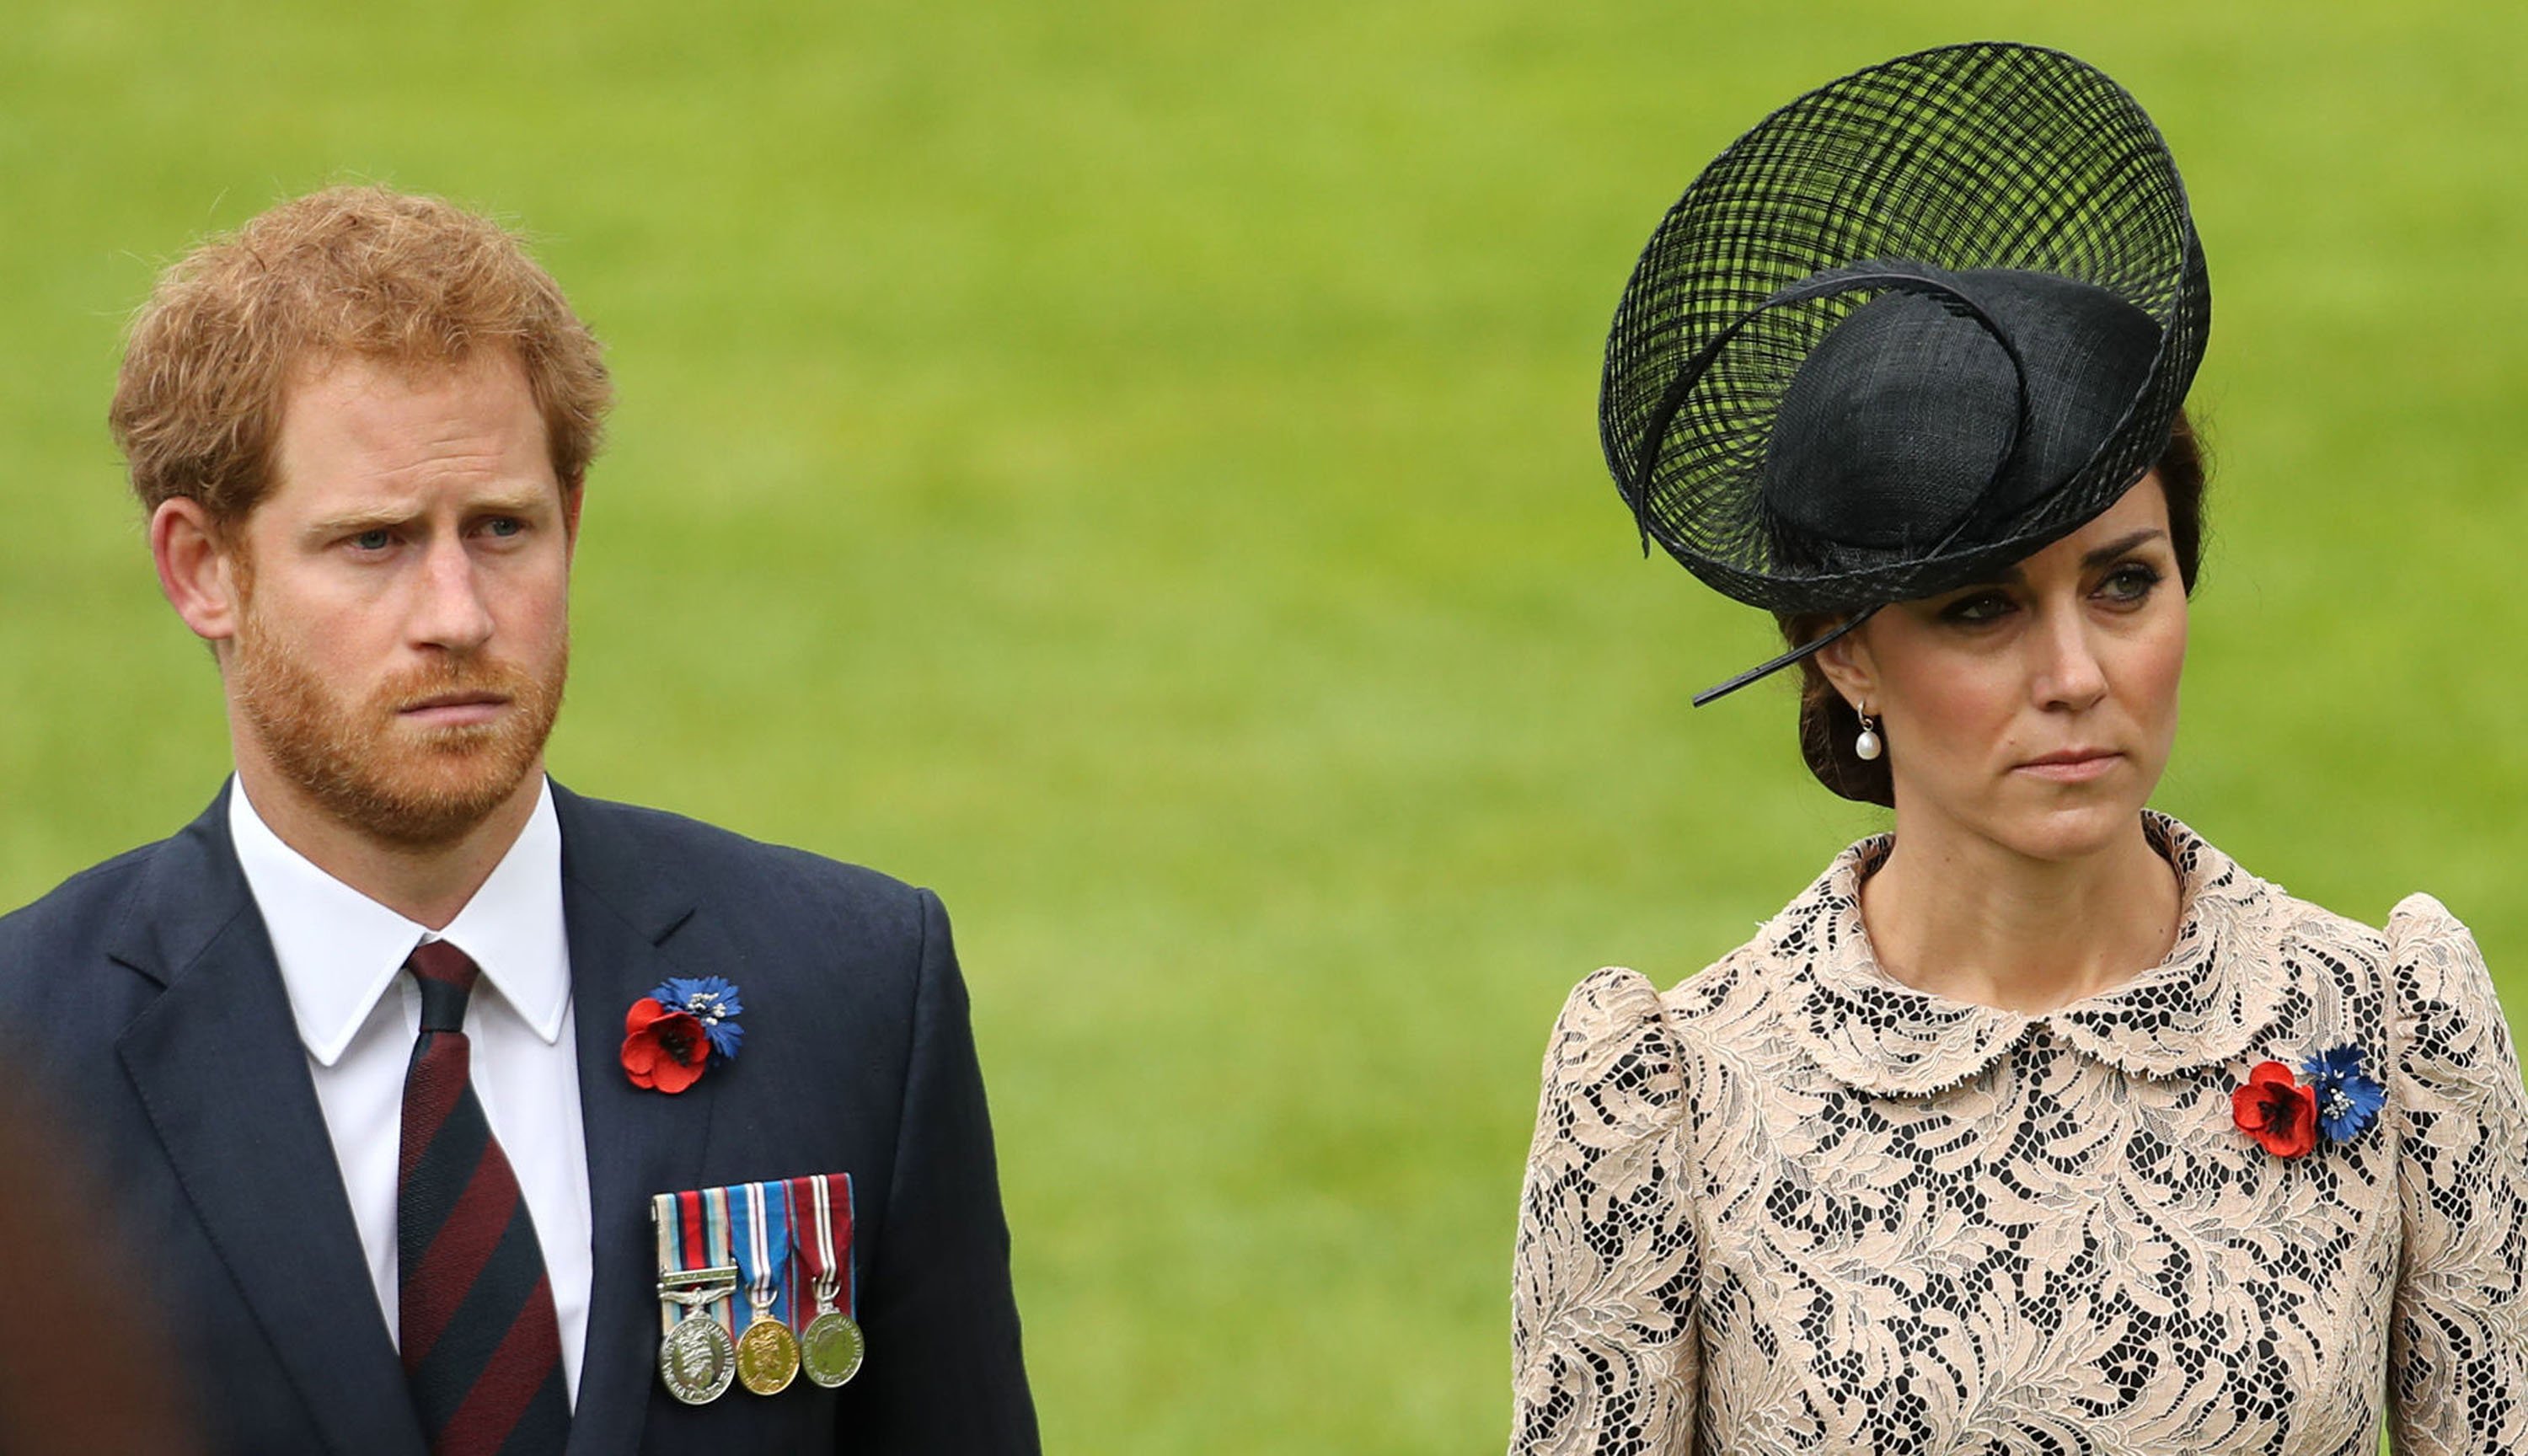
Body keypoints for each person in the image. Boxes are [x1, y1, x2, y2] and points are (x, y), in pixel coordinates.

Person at [1509, 43, 2528, 1453]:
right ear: (1846, 650)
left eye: (2125, 584)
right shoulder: (1669, 1093)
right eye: (1980, 609)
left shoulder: (2392, 1026)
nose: (2074, 676)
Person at [0, 186, 1039, 1455]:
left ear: (573, 524)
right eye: (374, 542)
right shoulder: (26, 1062)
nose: (458, 613)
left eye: (501, 529)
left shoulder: (856, 983)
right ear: (203, 570)